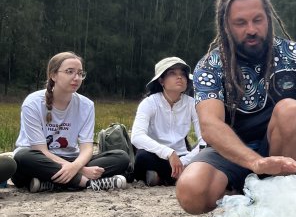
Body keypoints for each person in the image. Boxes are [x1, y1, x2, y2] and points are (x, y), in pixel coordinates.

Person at [176, 0, 296, 214]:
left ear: (269, 19)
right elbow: (210, 125)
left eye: (257, 20)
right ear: (226, 26)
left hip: (281, 149)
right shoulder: (210, 65)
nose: (251, 29)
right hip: (230, 152)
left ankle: (283, 196)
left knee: (291, 109)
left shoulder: (295, 55)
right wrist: (255, 162)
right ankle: (243, 194)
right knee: (191, 191)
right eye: (240, 23)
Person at [12, 52, 129, 192]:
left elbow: (86, 148)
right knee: (21, 157)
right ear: (53, 75)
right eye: (70, 72)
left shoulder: (86, 105)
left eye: (80, 73)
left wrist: (75, 166)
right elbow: (40, 150)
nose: (76, 77)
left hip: (70, 158)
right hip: (40, 159)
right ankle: (87, 183)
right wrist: (82, 171)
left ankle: (50, 183)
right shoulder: (32, 103)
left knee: (121, 157)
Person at [131, 57, 205, 187]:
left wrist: (184, 160)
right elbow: (137, 137)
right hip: (156, 155)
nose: (180, 77)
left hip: (183, 157)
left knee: (207, 152)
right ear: (161, 80)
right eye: (172, 73)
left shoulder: (192, 104)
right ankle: (176, 177)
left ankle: (163, 177)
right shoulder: (149, 103)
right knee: (142, 157)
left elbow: (204, 140)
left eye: (183, 74)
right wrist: (169, 153)